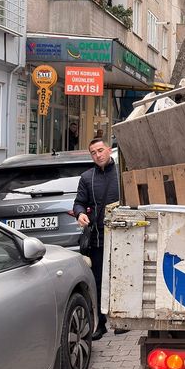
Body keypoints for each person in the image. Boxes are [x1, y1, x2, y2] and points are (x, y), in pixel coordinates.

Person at [73, 138, 120, 340]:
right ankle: (100, 324)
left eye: (100, 150)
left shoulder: (122, 173)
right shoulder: (87, 177)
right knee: (98, 281)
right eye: (93, 152)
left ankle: (121, 320)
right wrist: (80, 214)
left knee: (121, 279)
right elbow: (79, 203)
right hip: (98, 239)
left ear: (109, 150)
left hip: (122, 237)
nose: (98, 155)